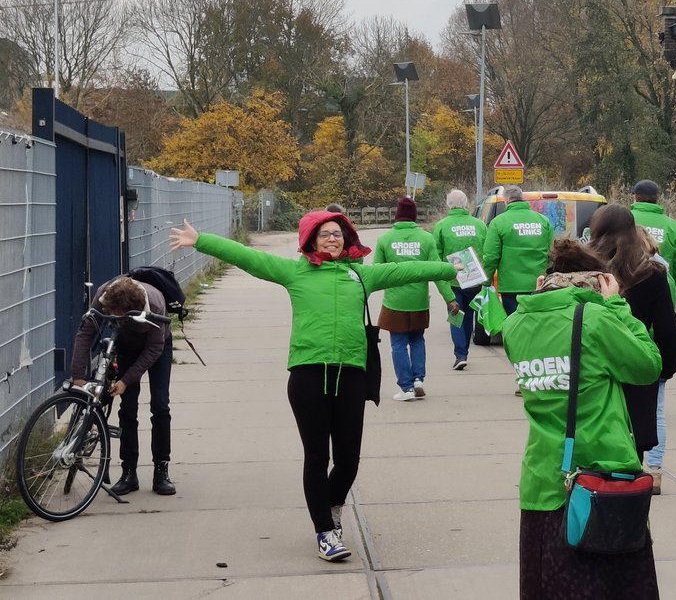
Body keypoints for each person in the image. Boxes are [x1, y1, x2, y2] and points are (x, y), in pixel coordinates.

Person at [169, 210, 456, 563]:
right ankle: (325, 531)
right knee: (317, 457)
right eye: (325, 234)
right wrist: (202, 241)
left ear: (347, 238)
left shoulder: (361, 275)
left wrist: (454, 268)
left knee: (349, 461)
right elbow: (249, 258)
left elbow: (410, 270)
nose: (333, 239)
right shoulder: (295, 272)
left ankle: (329, 507)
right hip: (307, 377)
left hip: (351, 375)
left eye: (338, 233)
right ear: (311, 240)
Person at [503, 239, 663, 599]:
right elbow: (648, 366)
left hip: (543, 483)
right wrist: (618, 306)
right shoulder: (594, 319)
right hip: (600, 480)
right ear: (595, 279)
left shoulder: (516, 324)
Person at [589, 204, 676, 494]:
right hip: (634, 364)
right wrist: (664, 368)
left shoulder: (584, 270)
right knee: (634, 439)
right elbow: (667, 327)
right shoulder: (651, 273)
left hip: (592, 365)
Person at [70, 275, 174, 496]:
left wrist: (126, 380)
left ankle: (161, 470)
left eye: (118, 315)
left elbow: (154, 349)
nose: (113, 318)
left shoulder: (154, 303)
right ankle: (129, 472)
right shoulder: (104, 294)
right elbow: (86, 333)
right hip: (127, 345)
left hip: (158, 346)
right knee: (127, 408)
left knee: (160, 404)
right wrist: (79, 377)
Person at [375, 197, 459, 400]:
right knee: (417, 340)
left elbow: (375, 272)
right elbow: (438, 272)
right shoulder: (426, 238)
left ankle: (406, 388)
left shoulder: (385, 239)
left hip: (395, 302)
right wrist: (450, 298)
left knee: (398, 344)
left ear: (396, 215)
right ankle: (418, 379)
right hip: (419, 301)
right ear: (414, 216)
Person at [432, 189, 489, 370]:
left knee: (456, 315)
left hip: (452, 279)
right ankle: (464, 352)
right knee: (470, 315)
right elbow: (487, 250)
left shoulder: (441, 226)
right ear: (466, 204)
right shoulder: (479, 225)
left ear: (449, 204)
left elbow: (436, 254)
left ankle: (460, 354)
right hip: (474, 278)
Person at [482, 185, 554, 318]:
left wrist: (486, 282)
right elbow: (553, 254)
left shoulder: (498, 222)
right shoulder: (544, 221)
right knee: (537, 325)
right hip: (539, 284)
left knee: (514, 327)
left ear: (506, 201)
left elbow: (491, 257)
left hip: (511, 288)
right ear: (523, 198)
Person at [629, 179, 676, 308]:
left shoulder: (625, 218)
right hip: (664, 288)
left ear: (634, 197)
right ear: (657, 198)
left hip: (630, 286)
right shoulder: (672, 226)